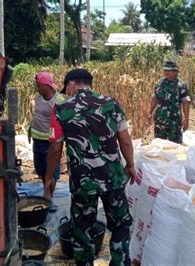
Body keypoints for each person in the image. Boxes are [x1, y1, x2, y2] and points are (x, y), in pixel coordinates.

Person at [44, 69, 134, 265]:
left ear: (72, 84)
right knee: (120, 224)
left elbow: (55, 148)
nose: (65, 92)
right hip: (113, 179)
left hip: (83, 182)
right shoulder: (111, 104)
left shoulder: (61, 109)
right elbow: (125, 140)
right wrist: (131, 165)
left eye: (65, 88)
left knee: (82, 229)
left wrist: (49, 177)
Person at [30, 72, 65, 212]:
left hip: (51, 142)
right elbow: (37, 115)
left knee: (51, 170)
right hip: (37, 139)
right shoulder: (38, 98)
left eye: (39, 86)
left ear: (47, 85)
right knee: (40, 168)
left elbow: (62, 122)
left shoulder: (59, 101)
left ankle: (48, 197)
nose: (37, 88)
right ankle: (46, 191)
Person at [147, 60, 191, 144]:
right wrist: (150, 112)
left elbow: (185, 103)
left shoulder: (181, 85)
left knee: (175, 146)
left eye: (169, 70)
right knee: (158, 144)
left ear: (175, 71)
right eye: (165, 70)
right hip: (160, 119)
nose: (166, 72)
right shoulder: (159, 83)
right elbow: (154, 98)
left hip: (174, 121)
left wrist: (186, 119)